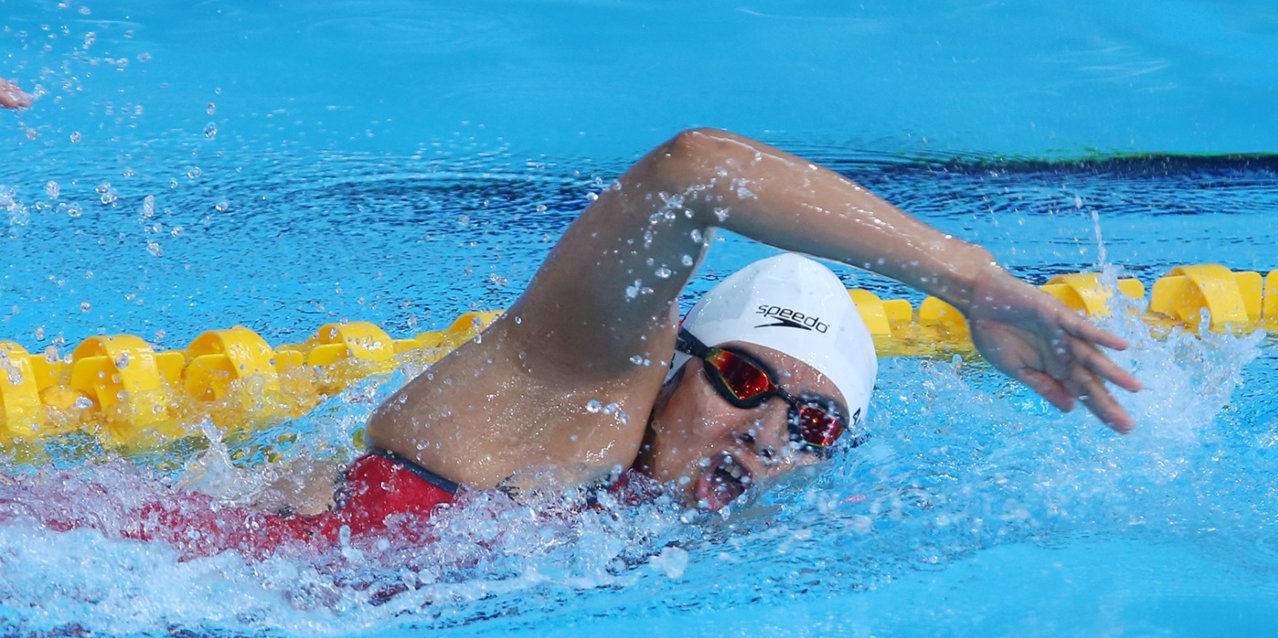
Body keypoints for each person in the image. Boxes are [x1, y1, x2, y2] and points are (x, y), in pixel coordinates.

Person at [282, 128, 1141, 527]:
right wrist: (970, 280)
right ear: (673, 366)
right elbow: (695, 170)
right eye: (745, 380)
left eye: (812, 423)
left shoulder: (714, 540)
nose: (768, 432)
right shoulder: (568, 404)